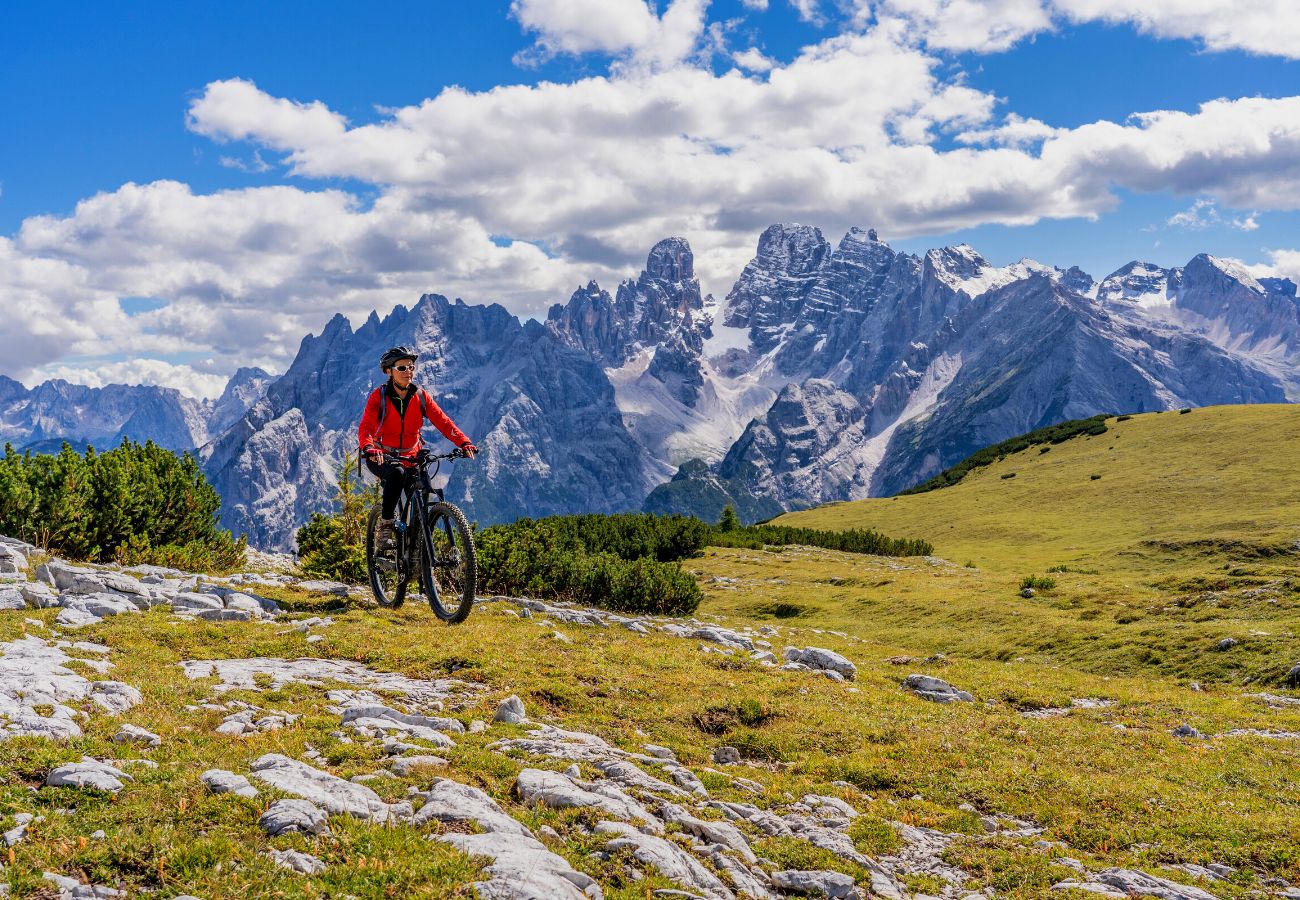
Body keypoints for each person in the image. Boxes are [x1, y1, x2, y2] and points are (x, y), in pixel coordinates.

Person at [358, 346, 477, 547]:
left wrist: (464, 441)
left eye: (411, 367)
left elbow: (444, 423)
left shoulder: (420, 396)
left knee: (425, 488)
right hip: (381, 456)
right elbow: (365, 429)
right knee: (396, 473)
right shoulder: (379, 397)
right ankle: (385, 525)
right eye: (402, 368)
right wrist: (369, 448)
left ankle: (419, 550)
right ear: (389, 371)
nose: (408, 372)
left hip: (411, 456)